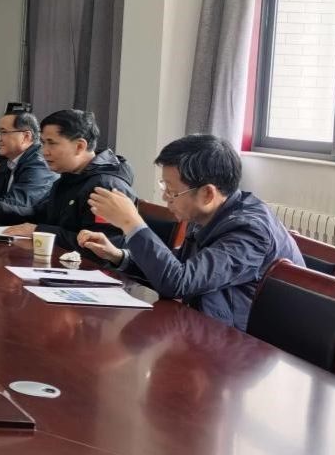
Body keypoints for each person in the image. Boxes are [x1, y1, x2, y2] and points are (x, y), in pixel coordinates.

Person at [78, 135, 303, 330]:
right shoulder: (209, 213)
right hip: (206, 326)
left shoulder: (249, 231)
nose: (165, 197)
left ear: (207, 194)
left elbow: (178, 283)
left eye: (172, 191)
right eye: (165, 187)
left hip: (244, 348)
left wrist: (131, 223)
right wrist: (119, 256)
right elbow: (177, 267)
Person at [0, 109, 136, 253]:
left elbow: (102, 248)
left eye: (51, 143)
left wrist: (39, 231)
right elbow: (40, 213)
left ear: (79, 146)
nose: (44, 151)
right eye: (43, 143)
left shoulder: (105, 187)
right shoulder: (70, 176)